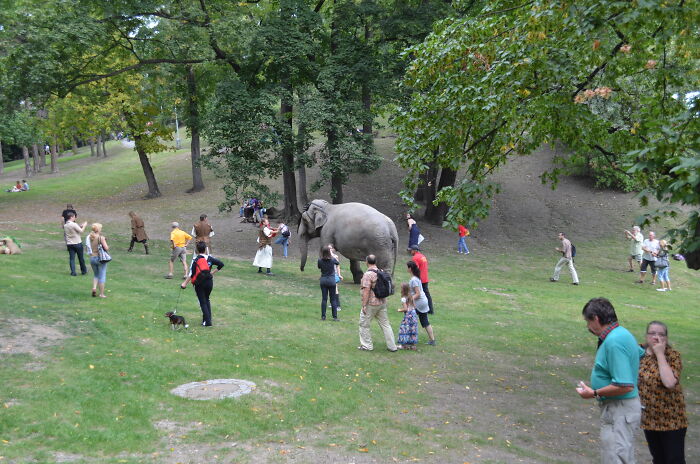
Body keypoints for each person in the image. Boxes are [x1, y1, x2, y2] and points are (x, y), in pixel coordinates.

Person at [575, 297, 643, 464]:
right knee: (621, 456)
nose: (587, 327)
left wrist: (594, 393)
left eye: (588, 321)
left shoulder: (614, 341)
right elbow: (640, 354)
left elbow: (624, 385)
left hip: (619, 410)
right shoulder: (622, 333)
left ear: (596, 319)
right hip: (621, 409)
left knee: (615, 458)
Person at [638, 321, 687, 464]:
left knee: (674, 460)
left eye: (661, 334)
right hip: (649, 419)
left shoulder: (673, 356)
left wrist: (659, 354)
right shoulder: (639, 352)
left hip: (672, 419)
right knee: (658, 459)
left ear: (666, 338)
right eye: (652, 333)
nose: (656, 337)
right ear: (646, 336)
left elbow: (669, 383)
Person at [358, 255, 397, 352]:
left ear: (367, 262)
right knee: (385, 324)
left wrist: (364, 305)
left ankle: (367, 345)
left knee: (364, 324)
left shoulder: (368, 275)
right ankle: (392, 346)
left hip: (371, 303)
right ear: (375, 262)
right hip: (382, 302)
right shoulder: (381, 271)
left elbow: (366, 291)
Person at [181, 241, 224, 327]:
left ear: (197, 250)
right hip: (209, 282)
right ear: (205, 249)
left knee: (203, 302)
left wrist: (184, 283)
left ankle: (208, 322)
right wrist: (212, 272)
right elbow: (221, 264)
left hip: (199, 283)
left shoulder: (196, 260)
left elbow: (192, 274)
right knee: (207, 299)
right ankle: (207, 319)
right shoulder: (210, 258)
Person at [407, 260, 436, 345]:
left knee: (409, 320)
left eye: (407, 267)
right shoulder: (416, 278)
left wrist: (410, 299)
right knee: (424, 321)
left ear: (410, 269)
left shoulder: (414, 280)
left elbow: (418, 294)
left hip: (419, 303)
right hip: (422, 302)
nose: (407, 269)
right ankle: (432, 340)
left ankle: (410, 340)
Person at [408, 245, 434, 314]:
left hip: (420, 279)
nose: (410, 251)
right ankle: (430, 310)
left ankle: (417, 309)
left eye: (411, 250)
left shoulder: (415, 258)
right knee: (426, 294)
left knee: (418, 294)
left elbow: (415, 268)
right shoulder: (423, 256)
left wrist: (415, 278)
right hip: (425, 278)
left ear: (415, 251)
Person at [85, 223, 109, 298]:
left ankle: (94, 288)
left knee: (96, 275)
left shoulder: (89, 237)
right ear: (98, 229)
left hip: (92, 258)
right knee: (102, 276)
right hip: (100, 258)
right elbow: (106, 248)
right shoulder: (101, 238)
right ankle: (101, 294)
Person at [318, 245, 340, 321]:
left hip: (323, 280)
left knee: (324, 299)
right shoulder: (333, 260)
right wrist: (332, 255)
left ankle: (323, 317)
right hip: (331, 281)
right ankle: (335, 317)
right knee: (333, 299)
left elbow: (319, 267)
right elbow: (337, 263)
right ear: (329, 252)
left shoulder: (320, 260)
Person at [396, 282, 418, 350]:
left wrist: (399, 310)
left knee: (404, 329)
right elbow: (415, 306)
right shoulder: (411, 296)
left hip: (408, 316)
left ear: (403, 290)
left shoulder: (403, 298)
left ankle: (403, 345)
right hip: (413, 314)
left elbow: (405, 309)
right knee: (412, 328)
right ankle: (413, 345)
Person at [328, 243, 342, 311]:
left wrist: (339, 275)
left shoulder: (335, 257)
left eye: (330, 248)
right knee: (330, 290)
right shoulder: (325, 256)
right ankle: (332, 303)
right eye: (328, 248)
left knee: (335, 289)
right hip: (328, 275)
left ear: (333, 249)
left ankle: (338, 305)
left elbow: (338, 266)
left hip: (334, 275)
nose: (329, 250)